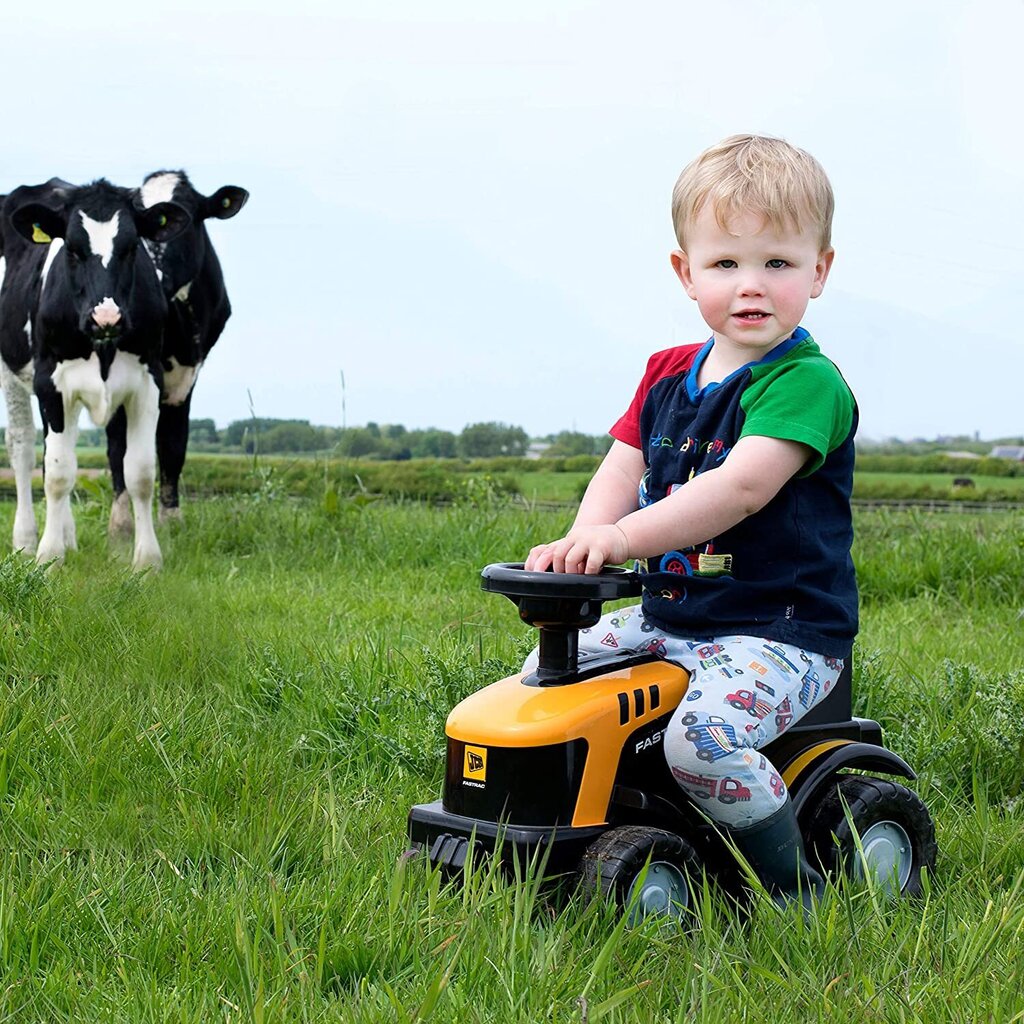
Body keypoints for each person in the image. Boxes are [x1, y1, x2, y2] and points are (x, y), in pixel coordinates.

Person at [524, 134, 857, 910]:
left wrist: (625, 539)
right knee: (547, 684)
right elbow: (622, 466)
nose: (751, 286)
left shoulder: (803, 383)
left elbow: (738, 489)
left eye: (777, 262)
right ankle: (555, 834)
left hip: (779, 631)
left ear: (819, 270)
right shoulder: (666, 372)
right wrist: (585, 543)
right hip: (669, 616)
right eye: (726, 264)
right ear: (686, 272)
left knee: (701, 742)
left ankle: (791, 888)